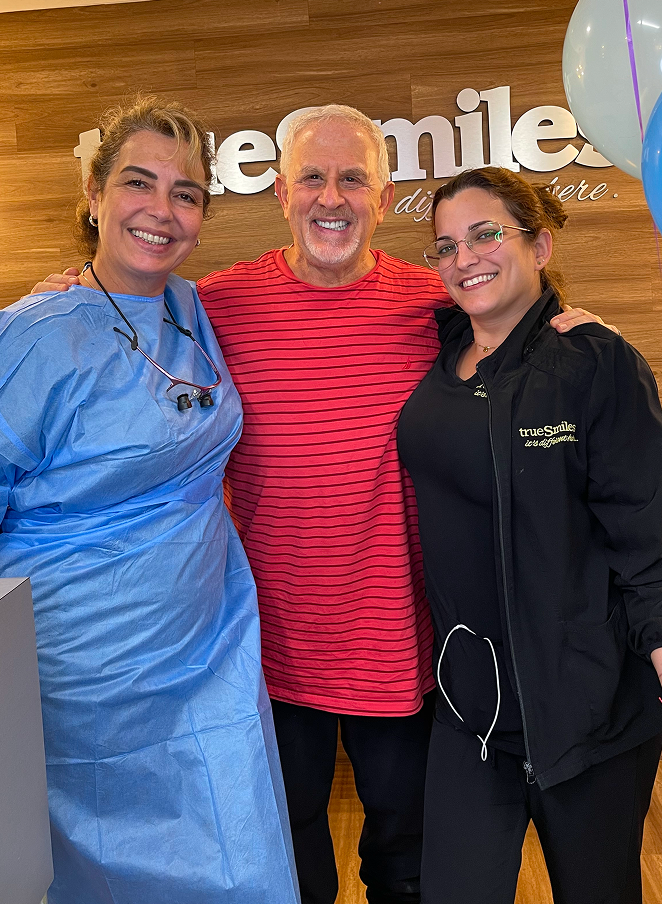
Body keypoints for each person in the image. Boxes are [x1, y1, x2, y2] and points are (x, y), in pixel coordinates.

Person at [29, 105, 611, 904]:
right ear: (279, 192)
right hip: (263, 649)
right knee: (290, 855)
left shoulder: (431, 303)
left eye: (351, 179)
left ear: (384, 193)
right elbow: (119, 308)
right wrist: (68, 291)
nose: (329, 198)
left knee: (403, 860)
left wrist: (576, 327)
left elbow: (516, 325)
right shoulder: (214, 307)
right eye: (311, 176)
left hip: (403, 648)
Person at [0, 97, 299, 904]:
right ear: (93, 196)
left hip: (209, 649)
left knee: (242, 860)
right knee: (95, 870)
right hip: (86, 677)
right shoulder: (34, 334)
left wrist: (545, 317)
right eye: (140, 183)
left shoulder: (191, 309)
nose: (162, 211)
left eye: (187, 193)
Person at [397, 166, 662, 904]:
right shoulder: (435, 343)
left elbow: (647, 525)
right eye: (445, 245)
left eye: (487, 234)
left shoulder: (591, 360)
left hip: (585, 709)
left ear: (541, 245)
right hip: (470, 707)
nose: (465, 257)